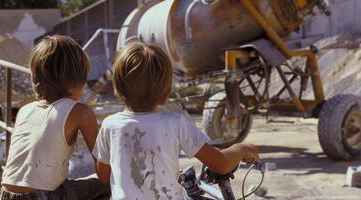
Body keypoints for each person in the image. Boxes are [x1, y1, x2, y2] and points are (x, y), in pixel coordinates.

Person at [93, 42, 260, 199]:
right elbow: (221, 164)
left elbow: (103, 175)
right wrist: (241, 148)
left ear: (118, 89)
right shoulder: (175, 123)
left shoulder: (110, 125)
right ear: (165, 91)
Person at [0, 35, 110, 200]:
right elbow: (103, 171)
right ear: (78, 80)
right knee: (106, 184)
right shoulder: (80, 112)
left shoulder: (24, 110)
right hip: (42, 197)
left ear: (34, 77)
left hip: (6, 195)